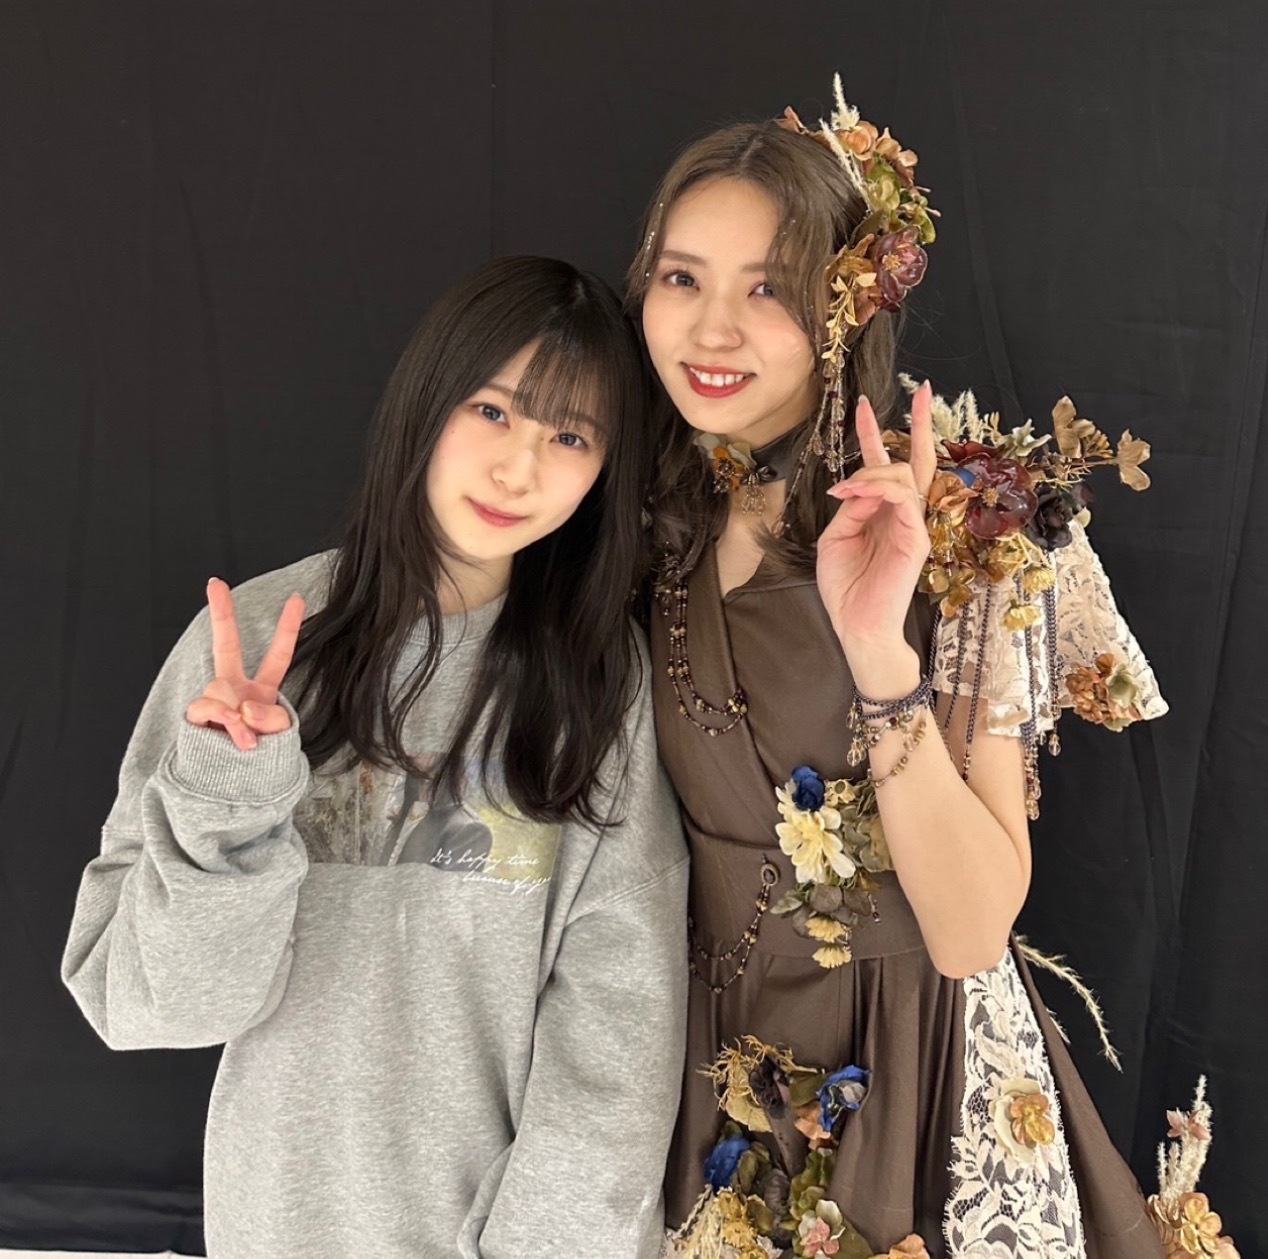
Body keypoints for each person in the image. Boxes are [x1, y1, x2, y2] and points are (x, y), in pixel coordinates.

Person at [628, 81, 1171, 1257]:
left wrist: (879, 653)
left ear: (843, 302)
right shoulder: (631, 513)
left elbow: (971, 930)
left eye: (766, 288)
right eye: (680, 277)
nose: (709, 329)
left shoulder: (961, 529)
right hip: (705, 1066)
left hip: (913, 1068)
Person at [62, 255, 689, 1259]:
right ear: (427, 398)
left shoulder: (599, 682)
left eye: (569, 436)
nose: (518, 467)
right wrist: (228, 793)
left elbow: (619, 1018)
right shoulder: (256, 643)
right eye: (492, 410)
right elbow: (148, 1003)